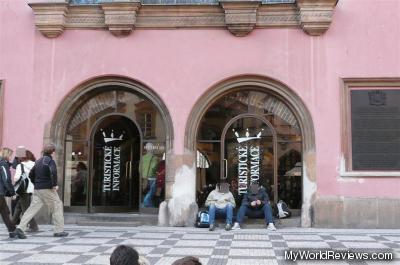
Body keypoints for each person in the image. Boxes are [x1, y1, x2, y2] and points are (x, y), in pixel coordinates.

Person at [13, 144, 68, 239]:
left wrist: (36, 183)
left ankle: (20, 228)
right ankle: (59, 230)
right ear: (53, 152)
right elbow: (53, 172)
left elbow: (31, 174)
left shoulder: (38, 161)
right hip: (47, 188)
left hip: (37, 189)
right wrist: (54, 185)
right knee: (57, 206)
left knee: (32, 209)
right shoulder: (50, 161)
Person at [12, 149, 39, 232]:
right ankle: (12, 224)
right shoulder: (35, 164)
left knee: (26, 209)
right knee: (19, 206)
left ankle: (33, 226)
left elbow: (16, 178)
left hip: (22, 189)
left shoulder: (20, 166)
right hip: (31, 188)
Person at [0, 147, 16, 238]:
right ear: (7, 155)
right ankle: (12, 230)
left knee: (5, 212)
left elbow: (12, 164)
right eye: (10, 155)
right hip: (0, 193)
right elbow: (6, 180)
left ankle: (12, 231)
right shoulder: (3, 164)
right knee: (5, 212)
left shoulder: (3, 164)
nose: (11, 157)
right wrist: (12, 193)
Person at [140, 143, 159, 207]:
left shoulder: (143, 157)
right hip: (152, 179)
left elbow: (139, 169)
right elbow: (154, 168)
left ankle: (144, 207)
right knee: (149, 196)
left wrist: (143, 175)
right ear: (152, 149)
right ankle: (151, 208)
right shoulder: (155, 158)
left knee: (145, 194)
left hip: (144, 179)